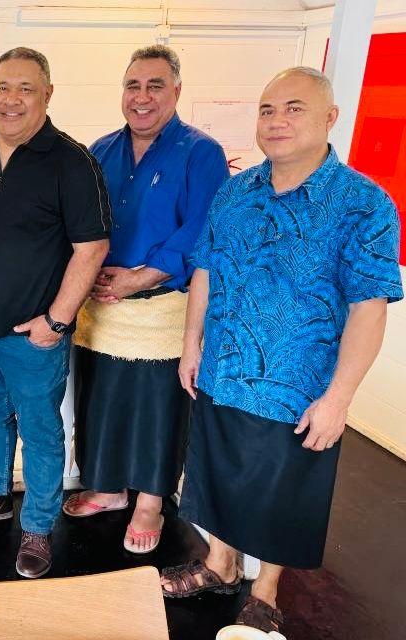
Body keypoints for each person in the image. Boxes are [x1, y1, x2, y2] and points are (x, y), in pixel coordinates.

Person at [162, 67, 402, 636]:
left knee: (283, 494)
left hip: (299, 386)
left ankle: (265, 590)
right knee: (217, 477)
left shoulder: (363, 204)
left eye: (294, 109)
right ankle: (220, 565)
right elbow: (206, 270)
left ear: (329, 118)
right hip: (223, 370)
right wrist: (191, 345)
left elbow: (369, 309)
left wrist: (339, 399)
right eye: (267, 110)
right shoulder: (235, 191)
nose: (276, 121)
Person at [0, 47, 112, 579]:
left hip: (35, 335)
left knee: (40, 432)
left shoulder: (72, 162)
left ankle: (37, 526)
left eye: (25, 89)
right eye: (2, 88)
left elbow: (92, 248)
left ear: (47, 95)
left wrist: (56, 320)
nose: (10, 100)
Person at [64, 45, 229, 554]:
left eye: (155, 85)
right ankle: (109, 488)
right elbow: (81, 221)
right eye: (133, 85)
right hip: (101, 306)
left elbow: (203, 229)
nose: (142, 96)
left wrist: (139, 278)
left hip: (163, 306)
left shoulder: (201, 152)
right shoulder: (101, 149)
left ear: (176, 91)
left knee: (158, 411)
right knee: (102, 401)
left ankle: (151, 503)